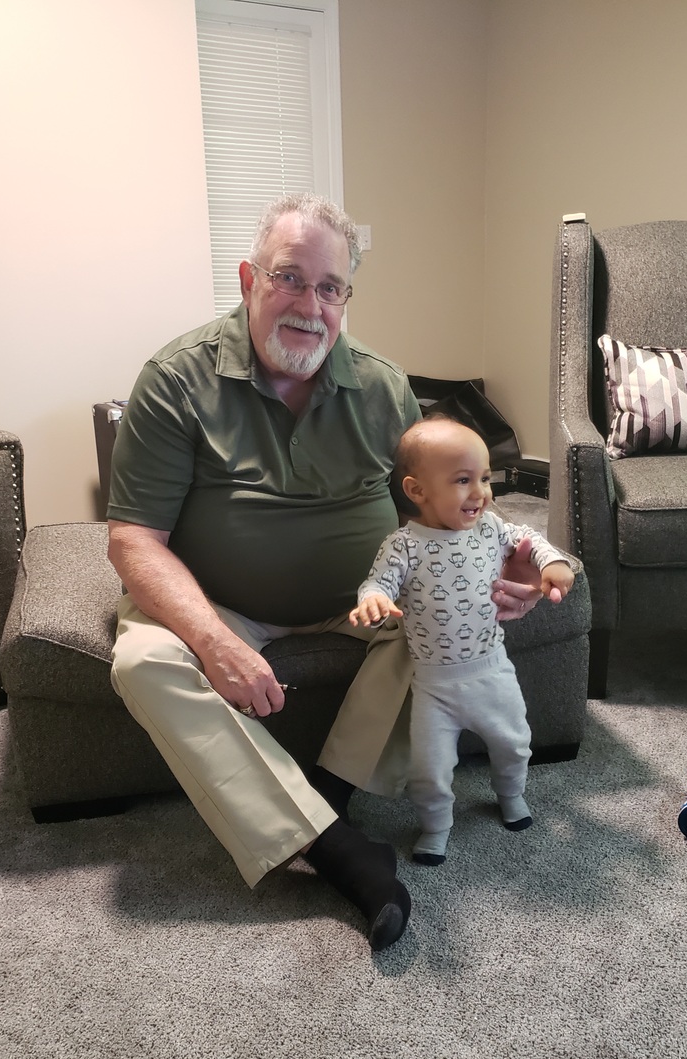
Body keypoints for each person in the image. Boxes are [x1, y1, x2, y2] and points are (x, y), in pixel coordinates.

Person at [106, 193, 543, 950]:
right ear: (249, 280)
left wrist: (500, 564)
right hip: (221, 600)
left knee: (436, 625)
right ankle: (340, 850)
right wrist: (213, 641)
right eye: (290, 278)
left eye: (331, 287)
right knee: (142, 661)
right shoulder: (175, 379)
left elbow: (440, 510)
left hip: (359, 598)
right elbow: (134, 540)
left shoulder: (381, 386)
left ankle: (325, 797)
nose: (311, 306)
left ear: (346, 298)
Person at [350, 416, 576, 866]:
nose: (480, 493)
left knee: (514, 744)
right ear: (417, 490)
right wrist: (372, 599)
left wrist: (554, 563)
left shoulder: (491, 528)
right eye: (462, 480)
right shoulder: (403, 545)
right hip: (433, 687)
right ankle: (436, 826)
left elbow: (530, 540)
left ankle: (511, 795)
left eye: (485, 478)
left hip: (492, 671)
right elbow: (378, 582)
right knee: (428, 770)